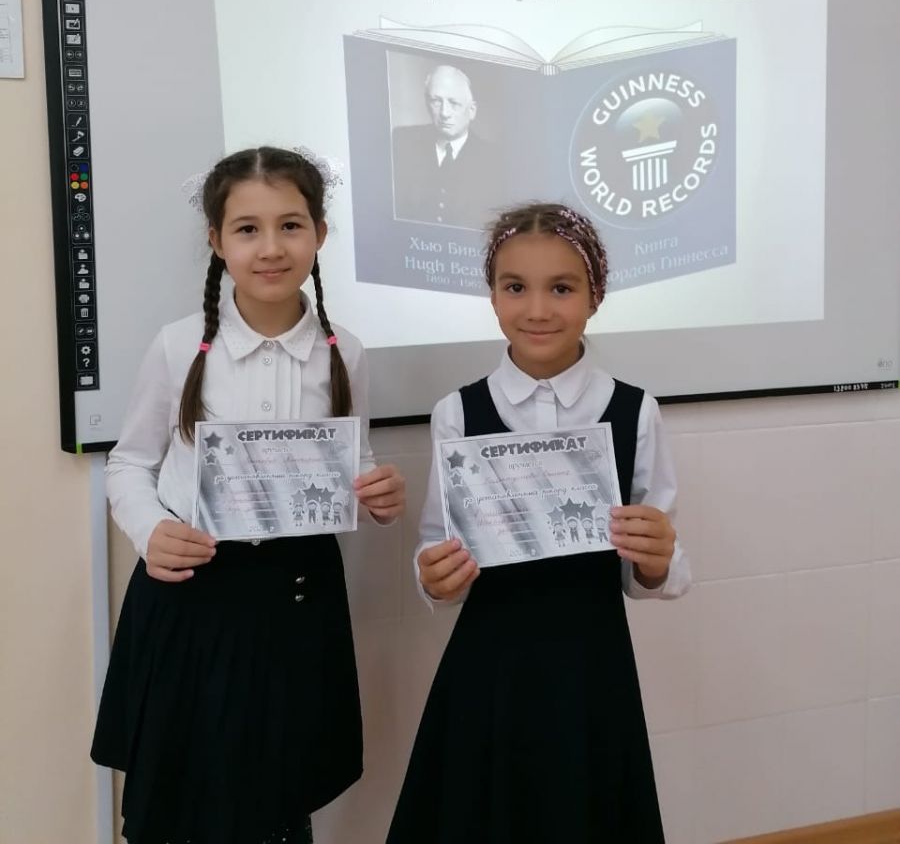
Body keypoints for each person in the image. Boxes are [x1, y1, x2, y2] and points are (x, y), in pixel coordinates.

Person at [91, 146, 406, 844]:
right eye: (247, 229)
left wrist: (377, 492)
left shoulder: (345, 351)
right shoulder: (178, 346)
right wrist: (150, 531)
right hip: (192, 596)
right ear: (216, 241)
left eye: (291, 225)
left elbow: (349, 466)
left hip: (297, 600)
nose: (270, 248)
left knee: (277, 798)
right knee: (177, 801)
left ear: (320, 234)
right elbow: (130, 463)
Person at [386, 202, 690, 844]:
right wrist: (435, 578)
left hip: (592, 667)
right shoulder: (456, 412)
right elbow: (436, 552)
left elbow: (654, 566)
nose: (538, 309)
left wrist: (658, 559)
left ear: (595, 295)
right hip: (490, 667)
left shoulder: (636, 411)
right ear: (493, 295)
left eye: (562, 288)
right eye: (515, 287)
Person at [391, 63, 498, 228]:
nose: (444, 113)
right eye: (436, 101)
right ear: (426, 103)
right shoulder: (401, 142)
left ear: (472, 110)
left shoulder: (494, 160)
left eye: (454, 103)